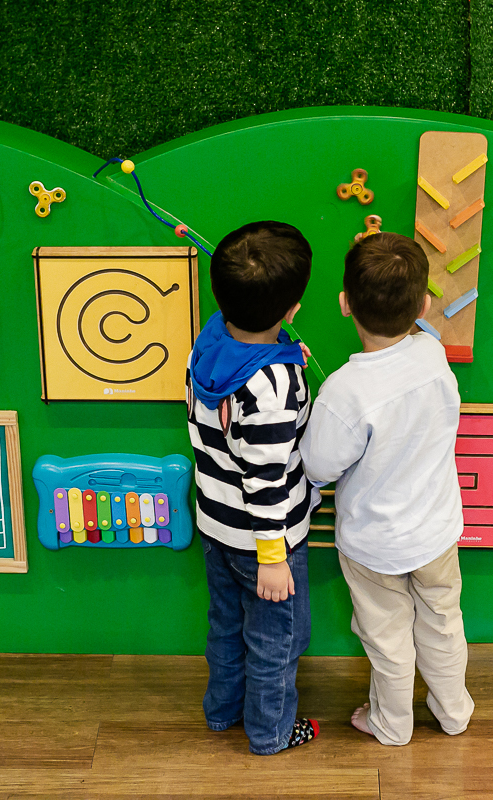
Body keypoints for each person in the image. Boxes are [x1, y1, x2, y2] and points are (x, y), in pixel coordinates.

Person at [299, 232, 474, 746]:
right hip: (437, 532)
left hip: (375, 543)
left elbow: (317, 464)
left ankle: (392, 724)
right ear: (423, 304)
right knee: (444, 623)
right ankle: (454, 711)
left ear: (343, 303)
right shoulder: (433, 354)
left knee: (387, 637)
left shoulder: (345, 392)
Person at [186, 220, 320, 755]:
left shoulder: (211, 340)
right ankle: (270, 733)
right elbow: (264, 481)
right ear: (290, 310)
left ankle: (222, 711)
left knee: (225, 630)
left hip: (215, 526)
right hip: (265, 541)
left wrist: (287, 356)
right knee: (277, 642)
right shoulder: (271, 386)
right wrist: (272, 557)